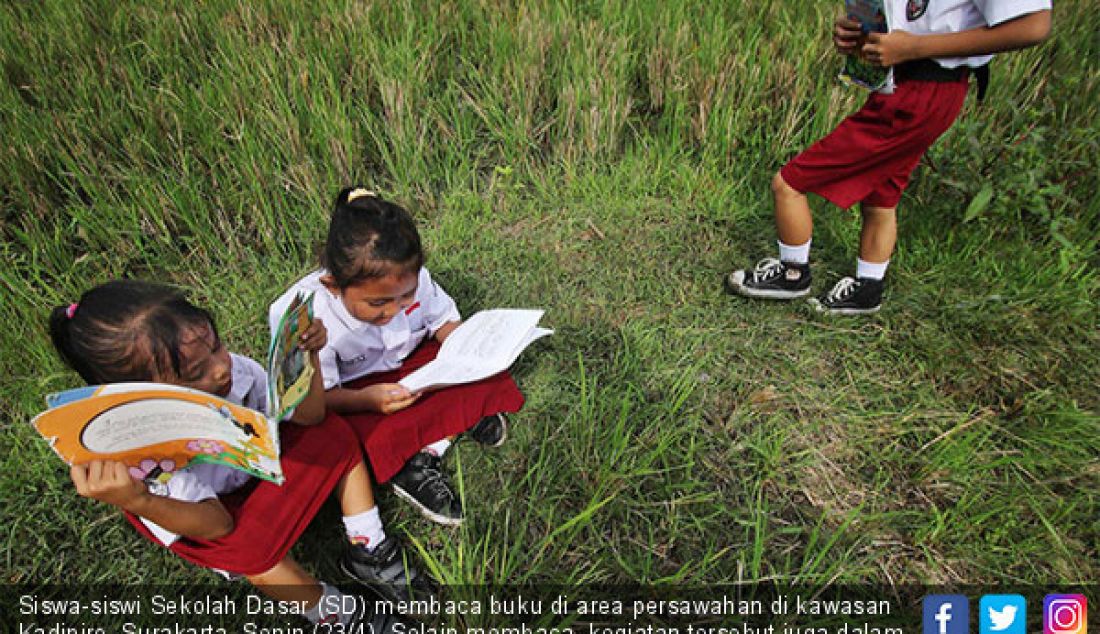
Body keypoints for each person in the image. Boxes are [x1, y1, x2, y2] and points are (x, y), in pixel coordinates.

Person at [49, 280, 423, 629]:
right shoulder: (138, 456)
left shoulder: (234, 371)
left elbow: (311, 417)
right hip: (211, 512)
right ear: (142, 396)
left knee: (333, 435)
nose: (220, 367)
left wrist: (308, 359)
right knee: (254, 556)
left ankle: (368, 546)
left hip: (260, 465)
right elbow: (217, 525)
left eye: (216, 346)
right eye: (196, 372)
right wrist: (138, 500)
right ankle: (336, 616)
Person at [726, 0, 1052, 314]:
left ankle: (792, 274)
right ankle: (868, 288)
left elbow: (1034, 26)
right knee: (882, 193)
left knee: (790, 182)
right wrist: (860, 37)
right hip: (908, 83)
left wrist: (914, 48)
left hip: (926, 88)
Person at [270, 188, 524, 526]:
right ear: (333, 285)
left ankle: (434, 445)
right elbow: (319, 401)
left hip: (412, 365)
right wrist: (366, 400)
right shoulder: (309, 316)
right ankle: (419, 457)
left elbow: (444, 323)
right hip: (357, 392)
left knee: (486, 377)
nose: (394, 310)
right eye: (378, 304)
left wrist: (472, 354)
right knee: (347, 438)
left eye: (406, 296)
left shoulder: (411, 280)